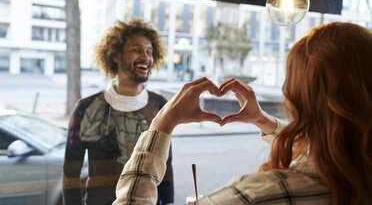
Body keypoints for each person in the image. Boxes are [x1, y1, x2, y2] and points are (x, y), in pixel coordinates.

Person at [113, 22, 372, 205]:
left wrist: (162, 123)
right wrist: (261, 119)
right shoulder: (356, 176)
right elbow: (328, 152)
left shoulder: (259, 195)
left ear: (297, 97)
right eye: (137, 50)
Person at [62, 19, 174, 205]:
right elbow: (70, 173)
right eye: (137, 50)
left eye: (149, 52)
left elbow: (166, 168)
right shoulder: (86, 109)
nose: (146, 57)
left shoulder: (160, 106)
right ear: (115, 55)